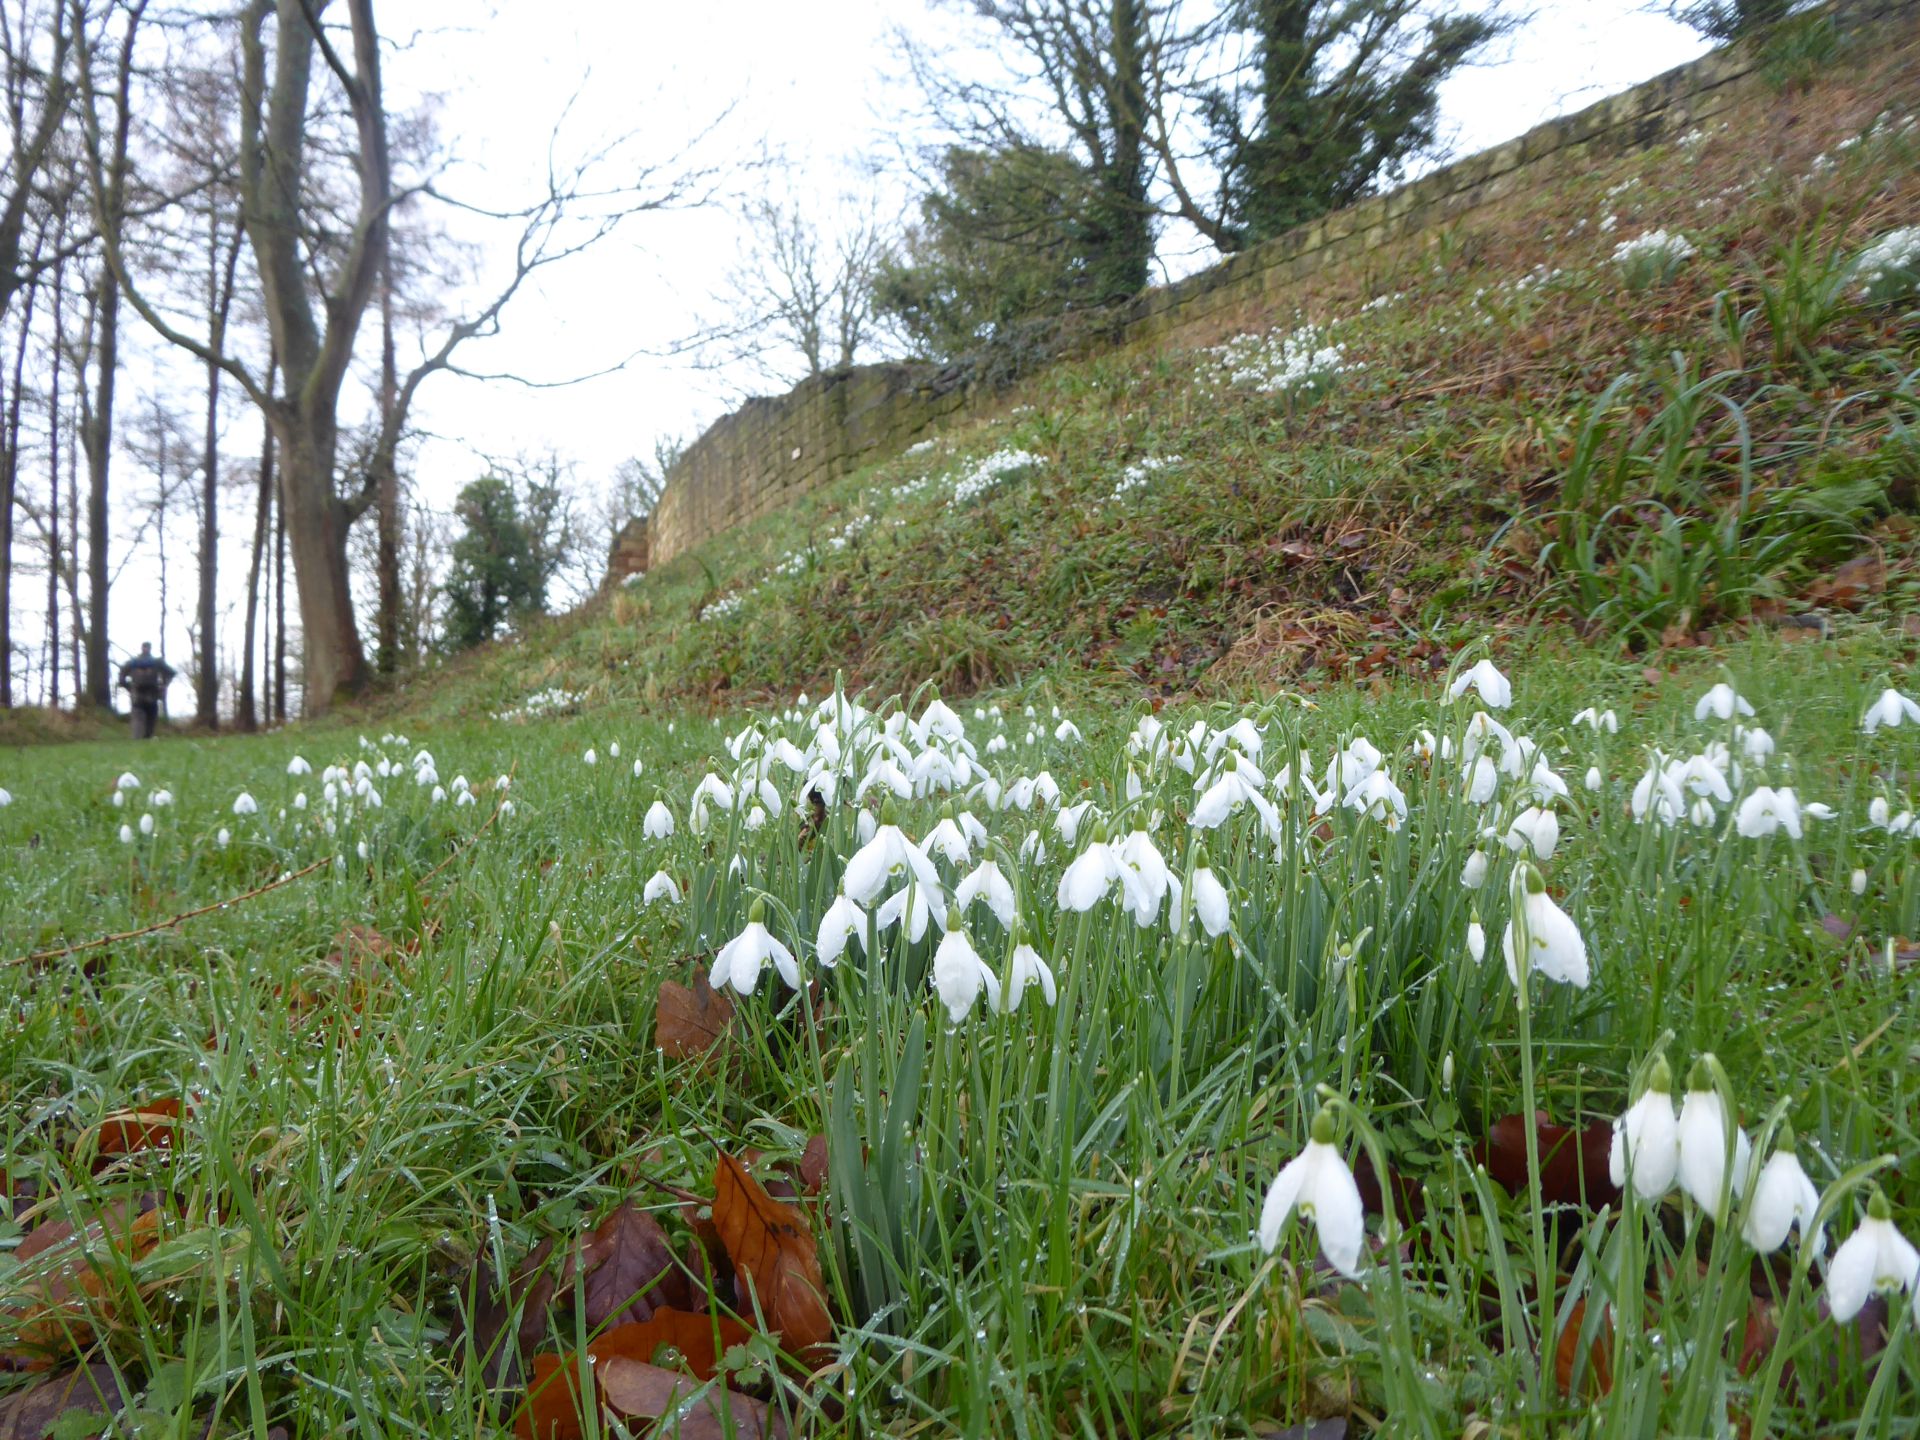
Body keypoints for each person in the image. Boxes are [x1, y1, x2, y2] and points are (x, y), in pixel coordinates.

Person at [117, 643, 176, 740]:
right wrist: (164, 685)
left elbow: (121, 676)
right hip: (152, 692)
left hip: (137, 692)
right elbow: (171, 673)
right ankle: (147, 737)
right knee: (151, 716)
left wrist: (128, 686)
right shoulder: (157, 662)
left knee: (138, 716)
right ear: (150, 649)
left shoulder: (133, 662)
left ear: (142, 648)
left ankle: (137, 738)